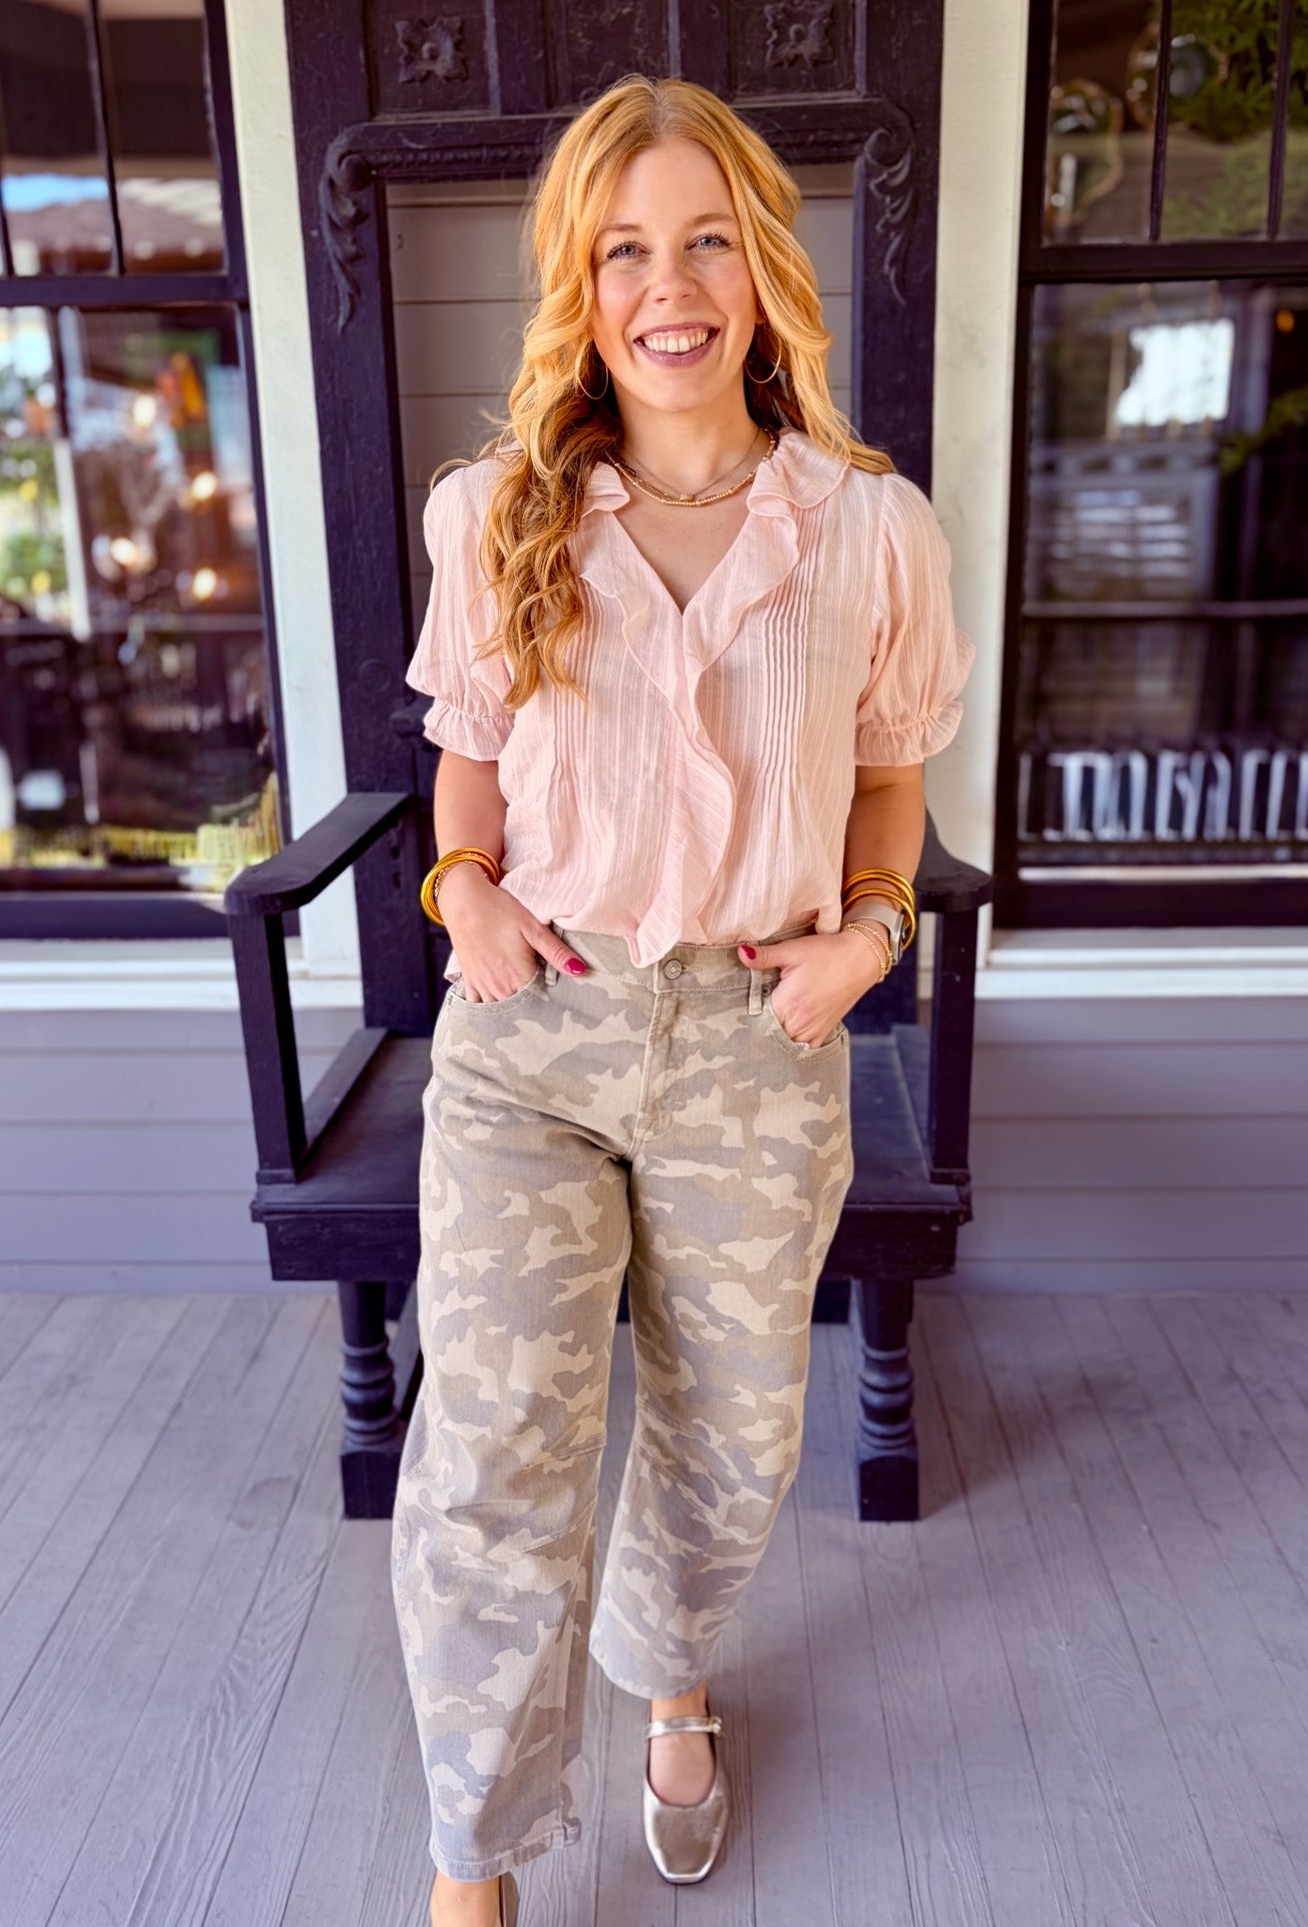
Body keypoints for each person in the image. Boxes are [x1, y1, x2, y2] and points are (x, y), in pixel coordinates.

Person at [391, 73, 975, 1927]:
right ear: (579, 280)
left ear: (761, 268)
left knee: (729, 1445)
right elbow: (464, 759)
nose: (670, 282)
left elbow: (891, 778)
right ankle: (468, 1867)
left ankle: (673, 1686)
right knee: (491, 1454)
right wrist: (459, 890)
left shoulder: (871, 530)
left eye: (707, 237)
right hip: (532, 1047)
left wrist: (866, 940)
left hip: (753, 1036)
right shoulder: (498, 515)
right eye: (625, 245)